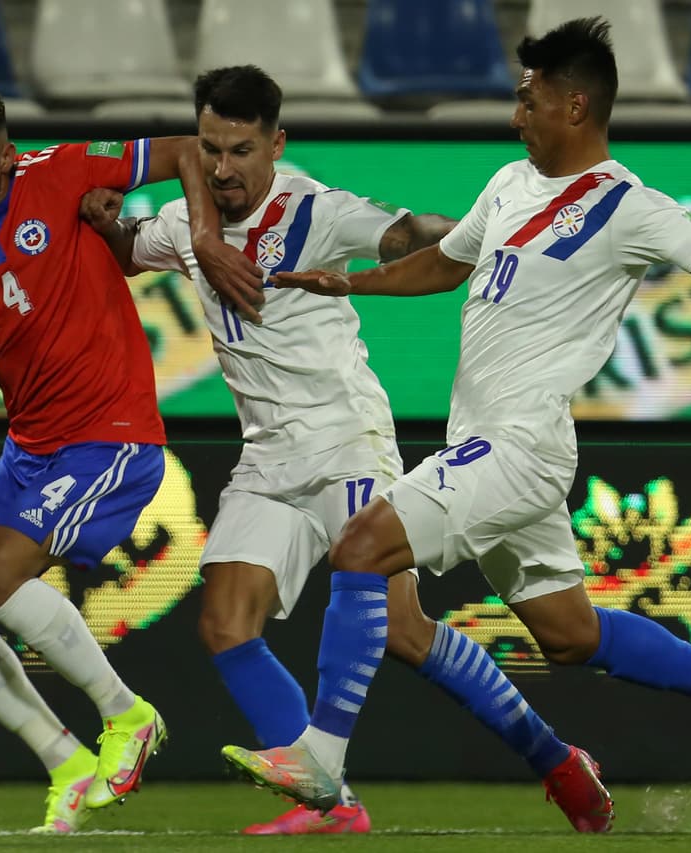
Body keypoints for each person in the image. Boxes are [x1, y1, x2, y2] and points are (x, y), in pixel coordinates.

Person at [222, 17, 691, 816]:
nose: (516, 115)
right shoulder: (507, 182)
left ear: (574, 106)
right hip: (486, 443)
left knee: (361, 544)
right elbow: (444, 263)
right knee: (568, 635)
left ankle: (322, 758)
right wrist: (354, 281)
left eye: (527, 100)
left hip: (521, 443)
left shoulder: (630, 205)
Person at [81, 64, 614, 835]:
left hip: (348, 442)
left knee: (404, 630)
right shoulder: (184, 219)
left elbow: (405, 232)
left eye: (240, 149)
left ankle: (557, 759)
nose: (224, 168)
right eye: (211, 149)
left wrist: (456, 232)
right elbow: (133, 248)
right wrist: (106, 219)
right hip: (267, 455)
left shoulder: (315, 208)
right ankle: (329, 802)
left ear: (276, 145)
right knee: (227, 622)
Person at [0, 78, 263, 834]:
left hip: (112, 433)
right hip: (29, 449)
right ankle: (64, 759)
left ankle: (126, 715)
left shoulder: (63, 171)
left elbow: (180, 152)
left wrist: (202, 235)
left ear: (4, 156)